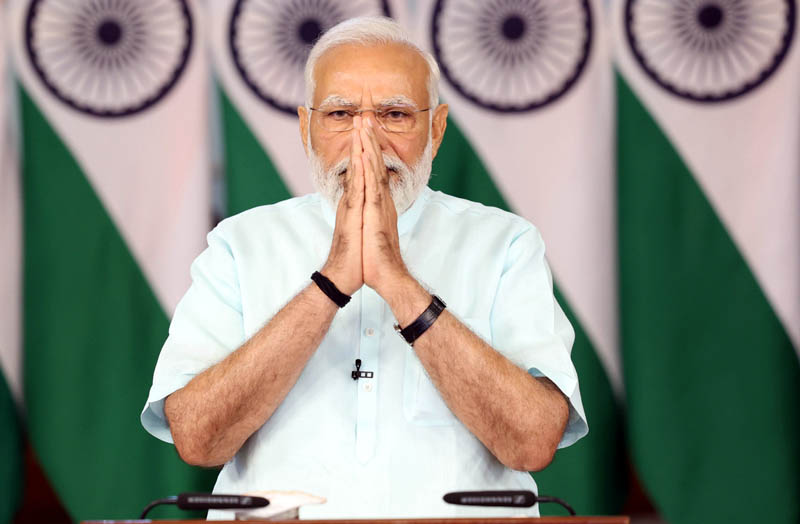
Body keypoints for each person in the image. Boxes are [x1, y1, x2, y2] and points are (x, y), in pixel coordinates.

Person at [142, 16, 587, 520]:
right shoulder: (240, 244)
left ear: (436, 129)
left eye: (395, 114)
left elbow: (532, 442)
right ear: (306, 128)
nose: (366, 140)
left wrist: (397, 282)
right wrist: (330, 283)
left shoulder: (505, 243)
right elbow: (197, 439)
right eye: (340, 114)